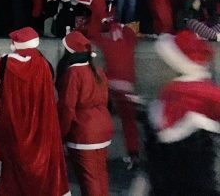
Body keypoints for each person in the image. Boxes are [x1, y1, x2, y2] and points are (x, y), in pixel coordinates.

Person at [0, 28, 69, 196]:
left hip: (11, 123)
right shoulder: (45, 64)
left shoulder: (4, 63)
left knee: (10, 171)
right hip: (40, 126)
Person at [145, 30, 220, 194]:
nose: (156, 67)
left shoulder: (172, 100)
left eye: (161, 62)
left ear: (174, 66)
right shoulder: (201, 95)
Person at [56, 30, 113, 196]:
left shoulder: (72, 73)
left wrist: (61, 133)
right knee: (101, 174)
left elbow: (67, 107)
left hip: (83, 131)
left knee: (89, 179)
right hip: (102, 127)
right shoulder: (98, 70)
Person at [92, 22, 140, 169]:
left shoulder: (106, 43)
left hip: (112, 85)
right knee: (129, 122)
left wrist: (106, 25)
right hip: (128, 87)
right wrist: (123, 26)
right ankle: (133, 153)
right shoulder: (129, 42)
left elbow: (93, 36)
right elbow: (132, 34)